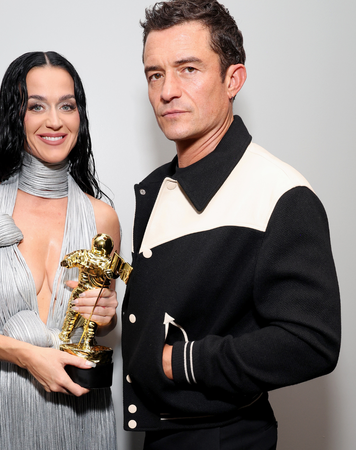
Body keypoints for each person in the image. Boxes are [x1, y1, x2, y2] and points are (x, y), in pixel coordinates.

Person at [121, 1, 341, 449]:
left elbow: (311, 341)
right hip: (161, 436)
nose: (167, 91)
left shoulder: (281, 193)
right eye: (155, 74)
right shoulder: (158, 189)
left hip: (224, 438)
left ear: (233, 79)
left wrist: (182, 361)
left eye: (188, 69)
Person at [0, 51, 120, 450]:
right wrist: (27, 356)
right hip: (4, 418)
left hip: (86, 418)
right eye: (37, 106)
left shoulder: (103, 218)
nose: (55, 121)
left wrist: (106, 314)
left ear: (79, 116)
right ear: (16, 115)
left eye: (67, 105)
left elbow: (98, 329)